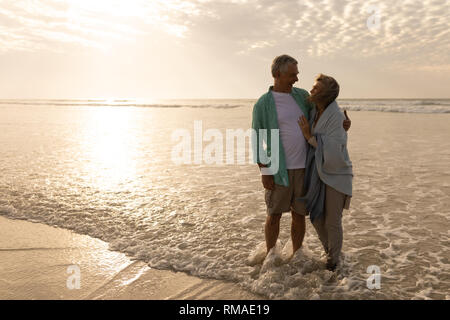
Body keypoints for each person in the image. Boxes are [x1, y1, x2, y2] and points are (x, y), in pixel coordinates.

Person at [251, 55, 351, 258]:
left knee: (299, 215)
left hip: (305, 168)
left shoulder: (302, 96)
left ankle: (296, 255)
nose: (296, 79)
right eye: (292, 75)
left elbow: (323, 114)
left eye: (297, 74)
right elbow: (257, 137)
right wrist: (264, 170)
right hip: (278, 168)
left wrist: (342, 125)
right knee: (274, 215)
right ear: (278, 74)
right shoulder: (263, 104)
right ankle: (271, 256)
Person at [297, 74, 353, 271]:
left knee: (332, 220)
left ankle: (333, 262)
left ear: (327, 94)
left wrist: (308, 136)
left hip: (336, 172)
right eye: (313, 87)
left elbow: (333, 148)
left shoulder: (336, 116)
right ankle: (330, 252)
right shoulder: (314, 110)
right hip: (317, 170)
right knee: (316, 216)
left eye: (316, 88)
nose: (311, 91)